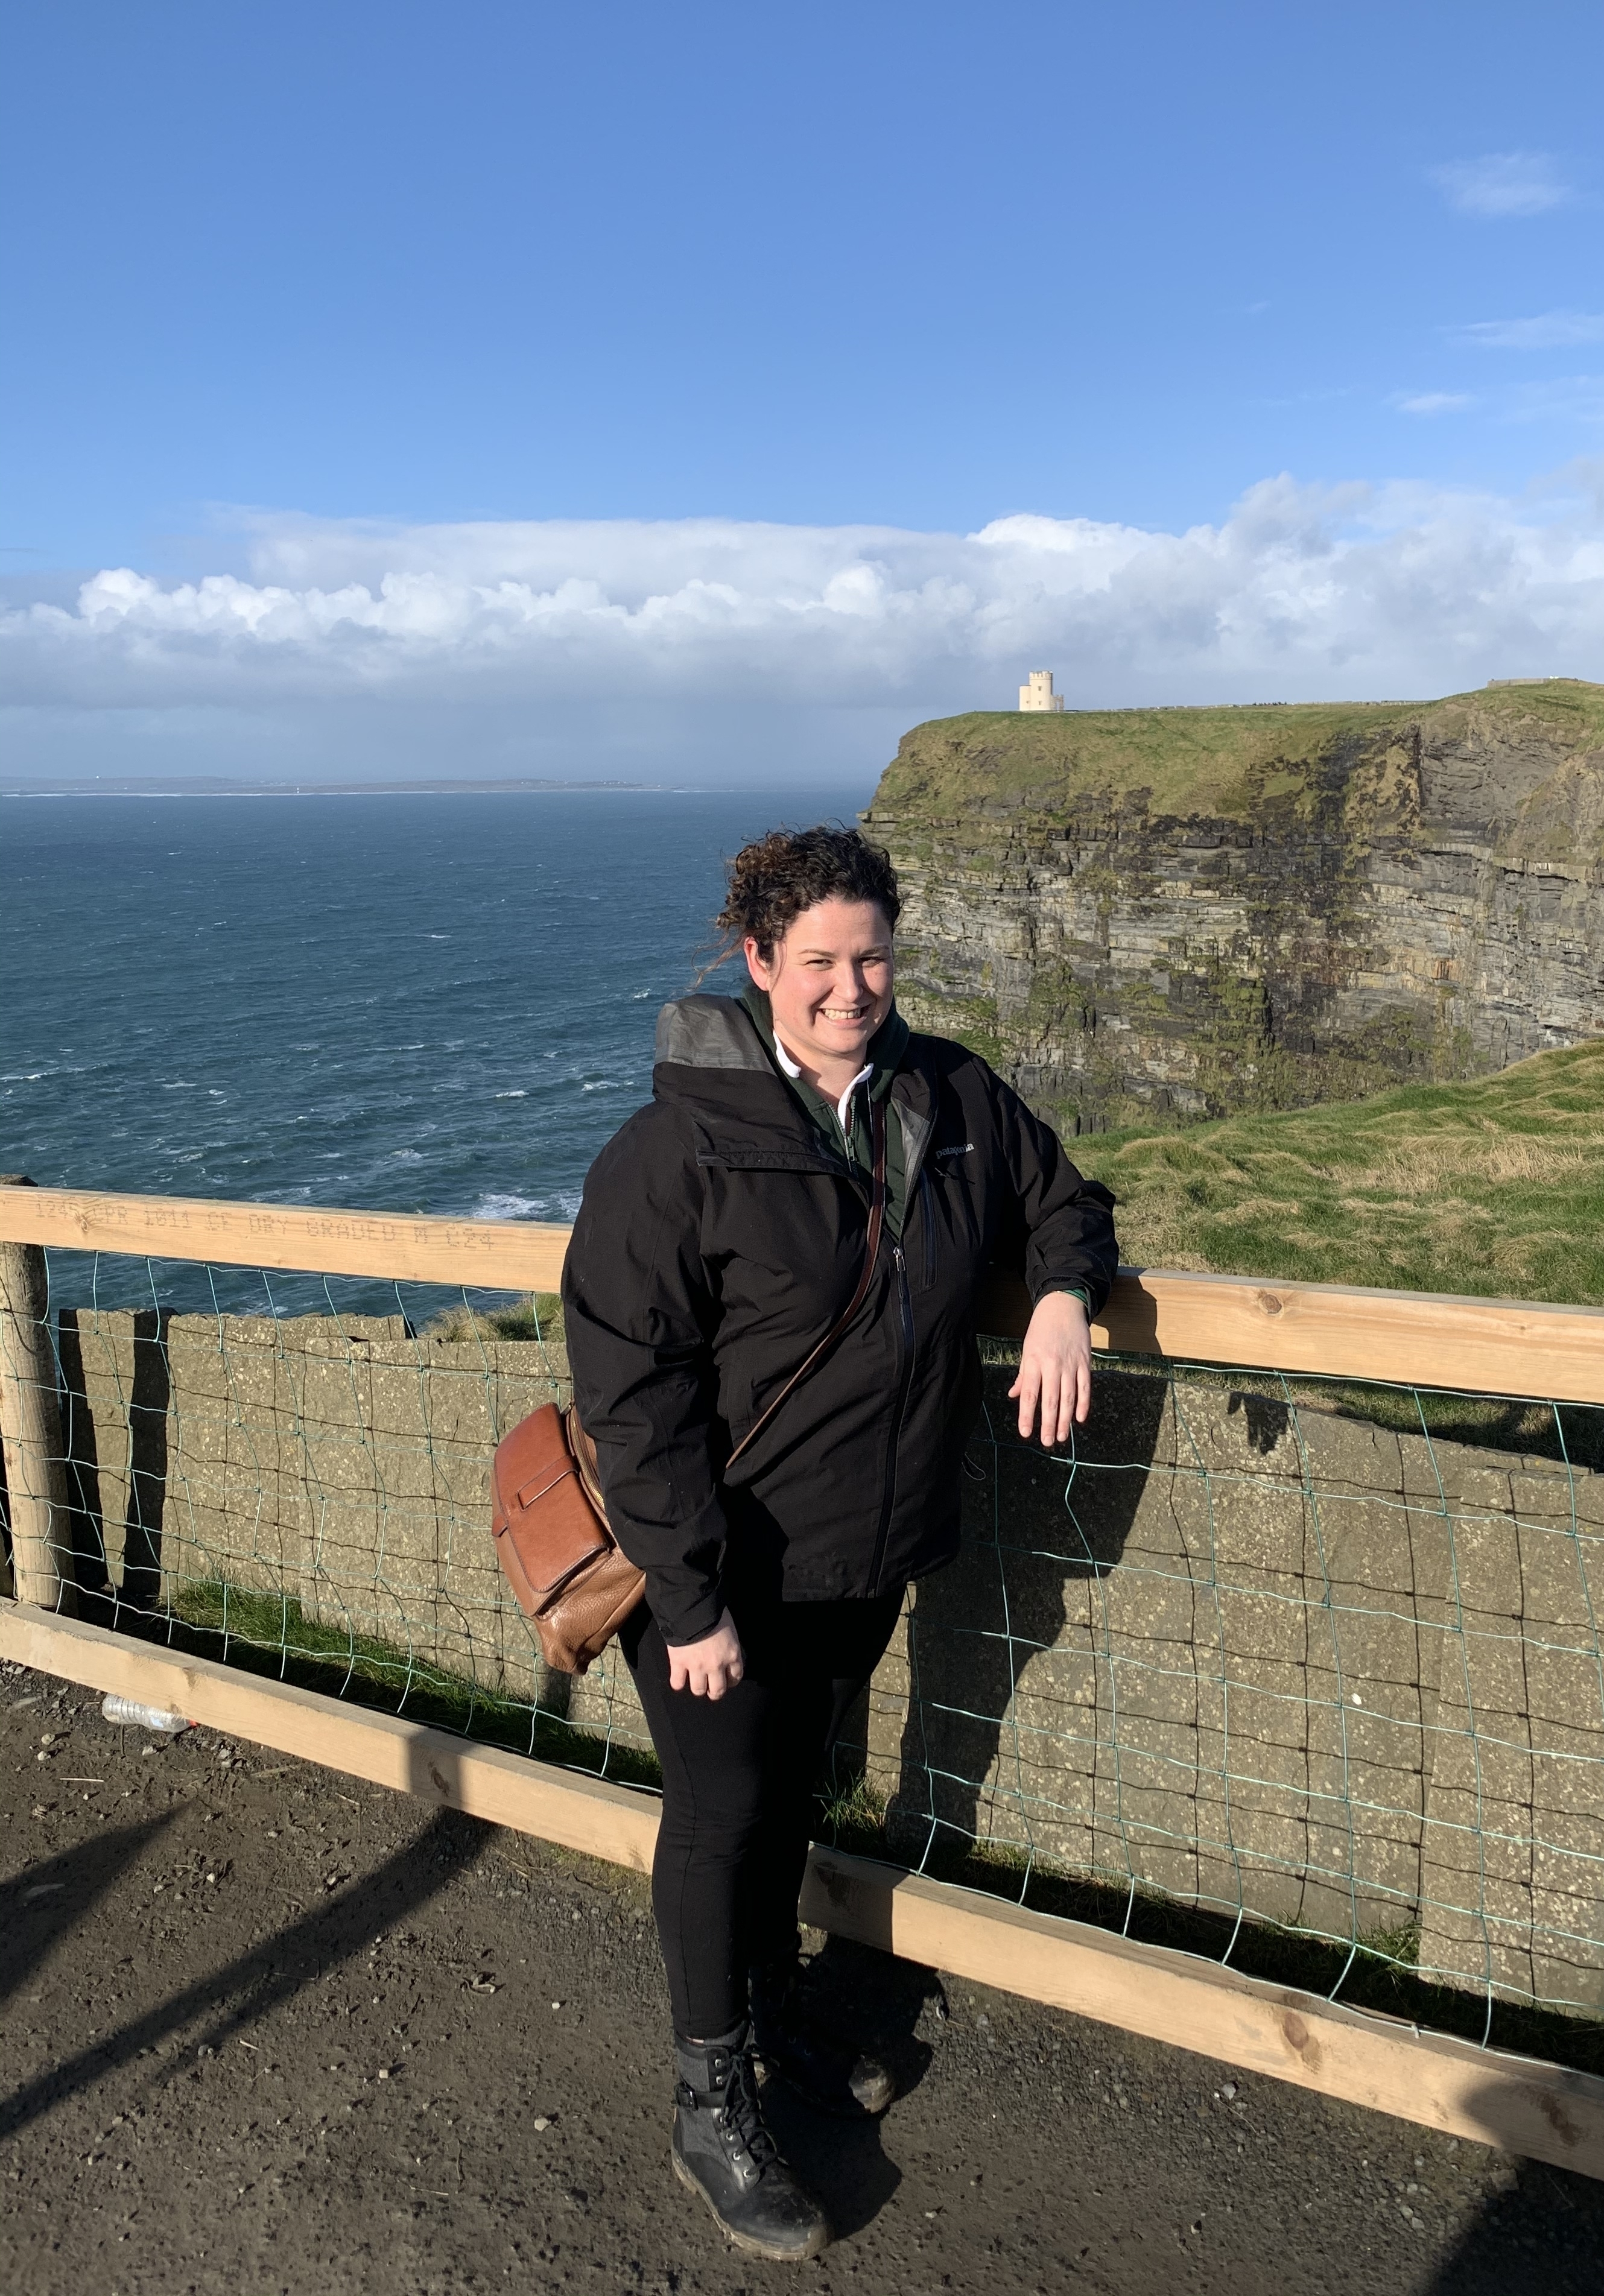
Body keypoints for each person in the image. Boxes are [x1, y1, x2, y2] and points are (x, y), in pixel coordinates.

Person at [562, 825, 1118, 2261]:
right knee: (724, 1811)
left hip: (867, 1549)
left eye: (871, 954)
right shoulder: (678, 1149)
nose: (849, 985)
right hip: (720, 1568)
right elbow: (631, 1387)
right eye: (816, 960)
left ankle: (777, 2010)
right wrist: (688, 1602)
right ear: (758, 964)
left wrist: (1063, 1296)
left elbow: (1068, 1201)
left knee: (797, 1790)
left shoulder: (952, 1094)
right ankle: (709, 2097)